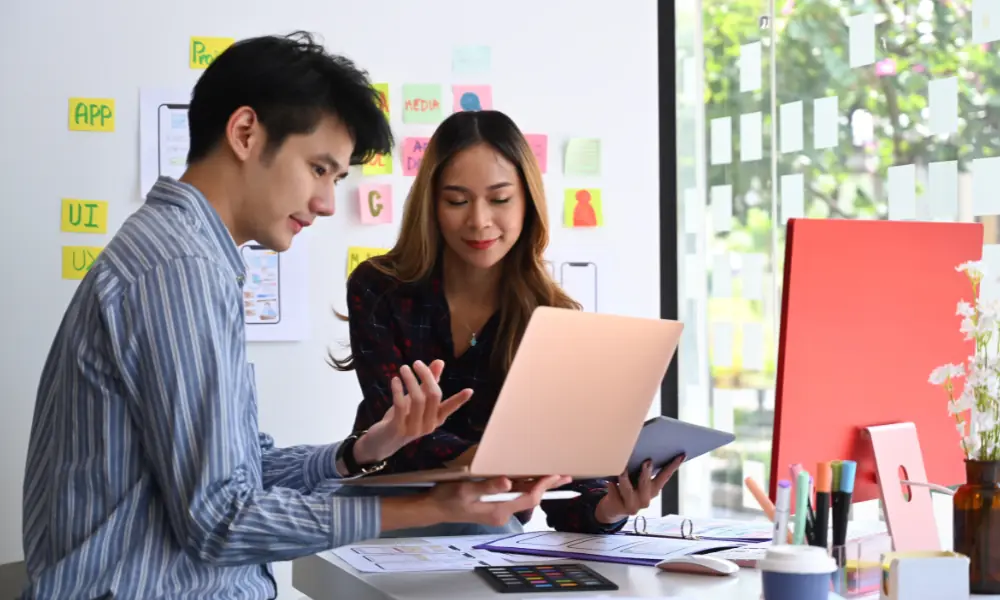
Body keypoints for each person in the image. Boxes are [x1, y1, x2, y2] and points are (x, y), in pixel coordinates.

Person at [20, 33, 567, 600]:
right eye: (319, 168)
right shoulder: (177, 270)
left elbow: (241, 471)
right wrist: (426, 505)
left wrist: (359, 451)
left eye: (337, 179)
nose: (328, 202)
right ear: (245, 133)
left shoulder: (190, 257)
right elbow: (219, 521)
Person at [332, 110, 683, 537]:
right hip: (385, 511)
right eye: (457, 201)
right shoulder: (379, 288)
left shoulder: (552, 315)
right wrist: (491, 460)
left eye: (500, 199)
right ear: (431, 203)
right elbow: (392, 426)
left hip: (489, 525)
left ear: (527, 202)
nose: (479, 221)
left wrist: (611, 506)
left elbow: (566, 494)